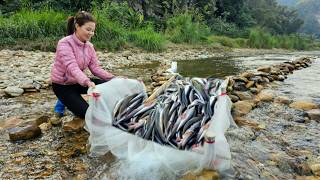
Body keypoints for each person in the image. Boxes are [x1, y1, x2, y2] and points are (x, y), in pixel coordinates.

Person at [51, 11, 114, 119]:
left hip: (78, 82)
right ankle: (63, 101)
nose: (91, 33)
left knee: (108, 85)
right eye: (88, 29)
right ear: (77, 26)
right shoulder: (65, 43)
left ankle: (66, 101)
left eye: (93, 31)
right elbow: (72, 67)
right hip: (63, 86)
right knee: (87, 114)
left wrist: (114, 78)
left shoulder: (89, 46)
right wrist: (87, 82)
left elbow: (95, 68)